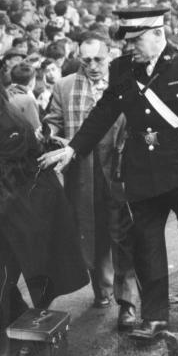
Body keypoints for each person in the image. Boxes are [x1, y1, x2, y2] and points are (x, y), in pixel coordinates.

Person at [42, 6, 178, 338]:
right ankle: (155, 315)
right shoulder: (122, 68)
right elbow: (104, 112)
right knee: (147, 246)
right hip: (142, 173)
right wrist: (73, 148)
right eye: (127, 41)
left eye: (136, 40)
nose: (129, 47)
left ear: (158, 34)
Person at [0, 54, 88, 356]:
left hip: (29, 204)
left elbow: (5, 187)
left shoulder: (9, 124)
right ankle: (7, 321)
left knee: (5, 269)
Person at [43, 32, 139, 330]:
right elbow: (53, 121)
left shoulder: (126, 83)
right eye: (86, 61)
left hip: (119, 170)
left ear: (110, 55)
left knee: (123, 235)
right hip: (82, 174)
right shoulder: (64, 86)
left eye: (98, 59)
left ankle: (128, 303)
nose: (93, 66)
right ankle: (102, 290)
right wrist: (49, 134)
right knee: (92, 232)